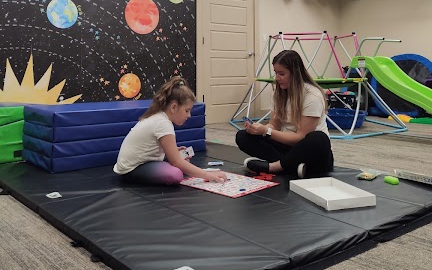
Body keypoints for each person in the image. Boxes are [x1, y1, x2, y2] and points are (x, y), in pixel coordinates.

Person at [236, 50, 333, 178]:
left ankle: (275, 167)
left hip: (310, 151)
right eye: (276, 73)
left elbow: (300, 137)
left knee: (319, 138)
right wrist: (258, 129)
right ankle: (292, 166)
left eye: (282, 74)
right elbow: (274, 125)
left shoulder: (312, 96)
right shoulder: (279, 93)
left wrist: (266, 131)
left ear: (295, 74)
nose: (277, 78)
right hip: (288, 147)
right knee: (242, 136)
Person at [114, 77, 227, 185]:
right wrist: (208, 175)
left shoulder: (159, 117)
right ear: (173, 107)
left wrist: (174, 151)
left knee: (183, 161)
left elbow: (151, 147)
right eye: (187, 111)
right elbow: (175, 162)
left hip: (138, 164)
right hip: (131, 169)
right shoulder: (162, 123)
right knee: (175, 174)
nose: (189, 115)